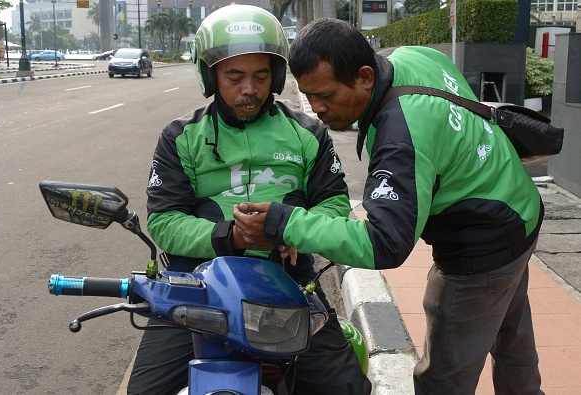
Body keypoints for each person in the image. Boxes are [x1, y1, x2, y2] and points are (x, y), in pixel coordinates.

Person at [233, 18, 545, 395]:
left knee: (443, 378)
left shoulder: (401, 138)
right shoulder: (410, 57)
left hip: (485, 246)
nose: (316, 108)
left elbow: (385, 243)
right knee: (511, 338)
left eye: (327, 95)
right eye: (309, 95)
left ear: (365, 76)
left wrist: (285, 222)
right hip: (520, 209)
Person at [127, 7, 372, 395]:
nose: (249, 89)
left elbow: (333, 203)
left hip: (288, 278)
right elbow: (164, 220)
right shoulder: (180, 137)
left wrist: (297, 232)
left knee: (346, 388)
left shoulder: (308, 134)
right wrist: (233, 237)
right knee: (144, 390)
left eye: (261, 76)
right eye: (234, 76)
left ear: (276, 77)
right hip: (196, 282)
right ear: (210, 76)